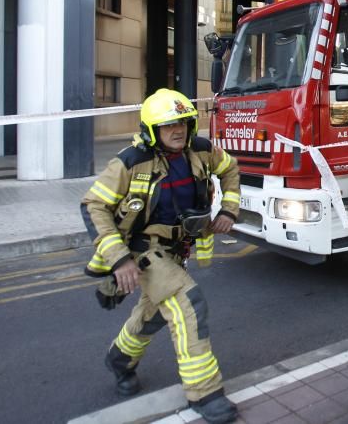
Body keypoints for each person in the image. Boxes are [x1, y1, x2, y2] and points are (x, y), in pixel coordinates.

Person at [81, 89, 241, 424]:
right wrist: (119, 259)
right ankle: (205, 393)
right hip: (143, 248)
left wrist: (229, 209)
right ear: (153, 130)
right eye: (168, 125)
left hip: (177, 248)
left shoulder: (200, 150)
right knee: (189, 305)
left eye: (183, 122)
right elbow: (93, 205)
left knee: (153, 314)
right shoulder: (129, 162)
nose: (178, 130)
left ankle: (120, 359)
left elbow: (230, 169)